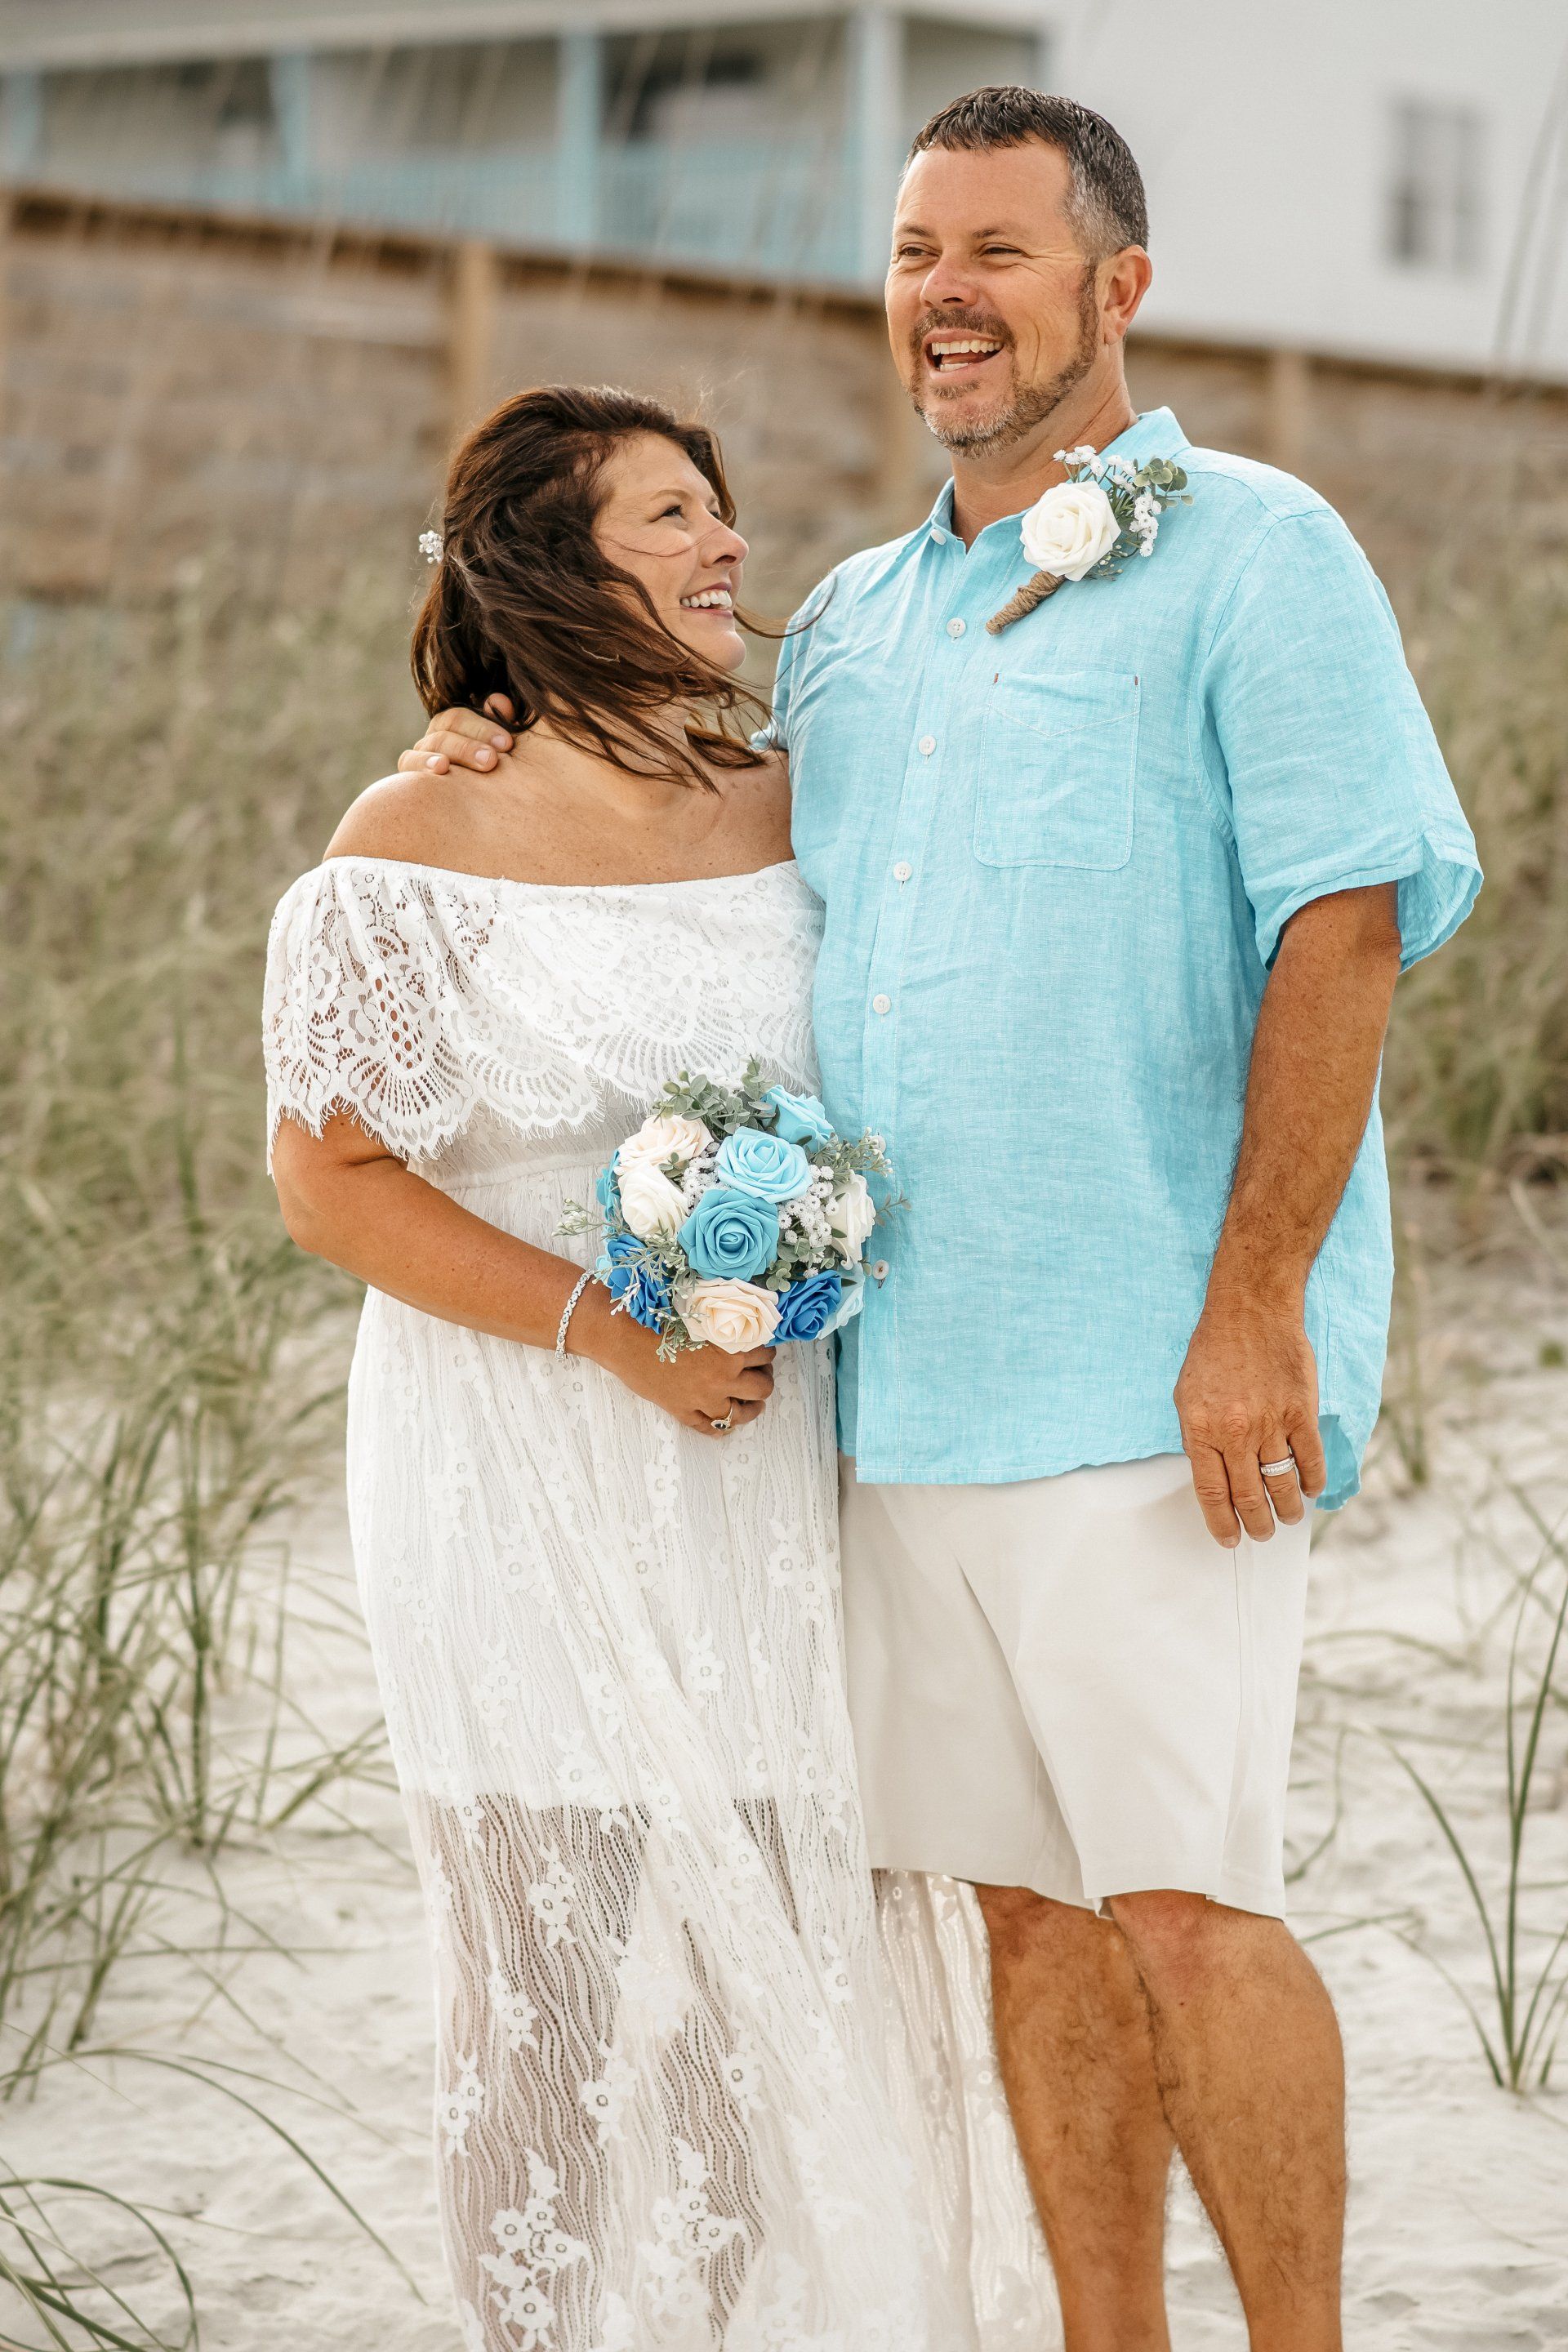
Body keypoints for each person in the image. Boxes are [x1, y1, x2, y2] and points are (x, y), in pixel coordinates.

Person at [408, 91, 1481, 2352]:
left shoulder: (1260, 551)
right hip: (898, 1408)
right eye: (914, 254)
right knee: (1026, 1918)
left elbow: (1346, 930)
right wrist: (490, 723)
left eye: (999, 251)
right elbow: (671, 831)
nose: (947, 298)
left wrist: (1258, 1307)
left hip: (1158, 1382)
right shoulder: (856, 631)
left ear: (1120, 288)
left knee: (1193, 1907)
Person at [263, 385, 1050, 2351]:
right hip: (513, 1439)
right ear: (550, 561)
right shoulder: (413, 837)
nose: (730, 550)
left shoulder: (789, 796)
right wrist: (611, 1334)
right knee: (543, 1954)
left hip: (765, 1457)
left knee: (764, 1930)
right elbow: (329, 1183)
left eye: (726, 513)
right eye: (679, 514)